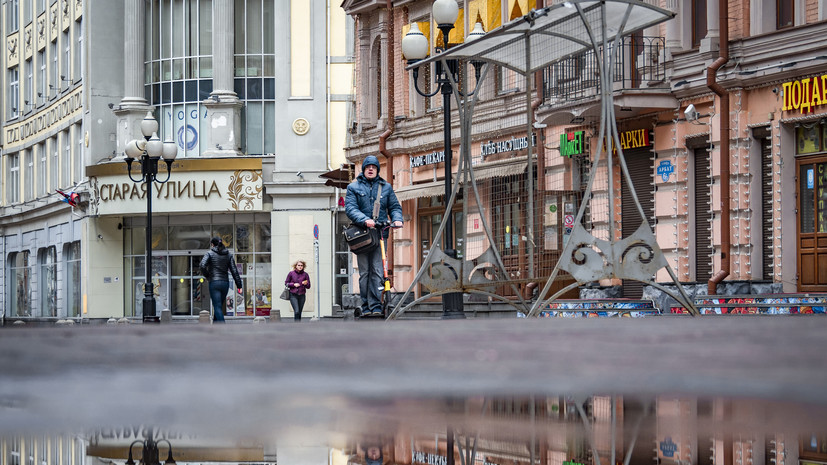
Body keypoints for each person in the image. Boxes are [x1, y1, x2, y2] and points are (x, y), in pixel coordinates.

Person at [345, 155, 403, 316]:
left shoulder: (386, 187)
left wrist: (397, 219)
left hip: (380, 235)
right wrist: (365, 220)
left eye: (374, 167)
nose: (371, 169)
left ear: (377, 170)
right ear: (364, 170)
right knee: (365, 272)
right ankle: (365, 305)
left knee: (378, 270)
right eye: (368, 167)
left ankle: (376, 305)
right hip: (362, 236)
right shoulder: (353, 187)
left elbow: (394, 207)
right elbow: (350, 208)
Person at [199, 237, 243, 323]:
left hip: (214, 283)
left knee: (217, 307)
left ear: (212, 244)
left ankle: (223, 328)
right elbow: (234, 270)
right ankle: (216, 328)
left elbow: (202, 265)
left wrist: (208, 276)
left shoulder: (209, 253)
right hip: (225, 283)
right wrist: (239, 285)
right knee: (218, 306)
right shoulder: (228, 255)